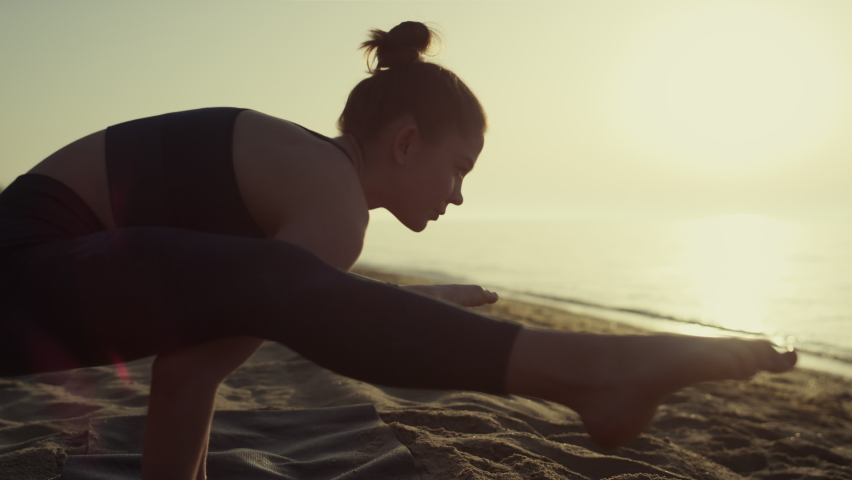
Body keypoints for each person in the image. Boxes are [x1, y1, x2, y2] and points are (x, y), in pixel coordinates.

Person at [0, 21, 796, 480]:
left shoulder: (298, 187)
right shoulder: (333, 202)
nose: (457, 195)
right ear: (407, 141)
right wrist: (379, 303)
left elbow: (192, 362)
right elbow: (189, 376)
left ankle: (593, 372)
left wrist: (376, 302)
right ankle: (592, 370)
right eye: (459, 169)